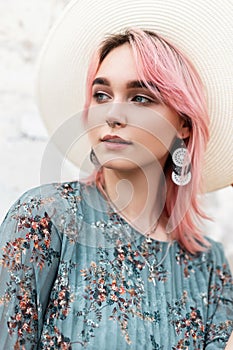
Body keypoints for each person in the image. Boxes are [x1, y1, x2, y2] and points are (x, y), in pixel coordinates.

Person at [1, 0, 233, 349]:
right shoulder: (44, 219)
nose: (113, 114)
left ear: (183, 123)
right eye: (101, 94)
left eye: (141, 98)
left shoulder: (209, 267)